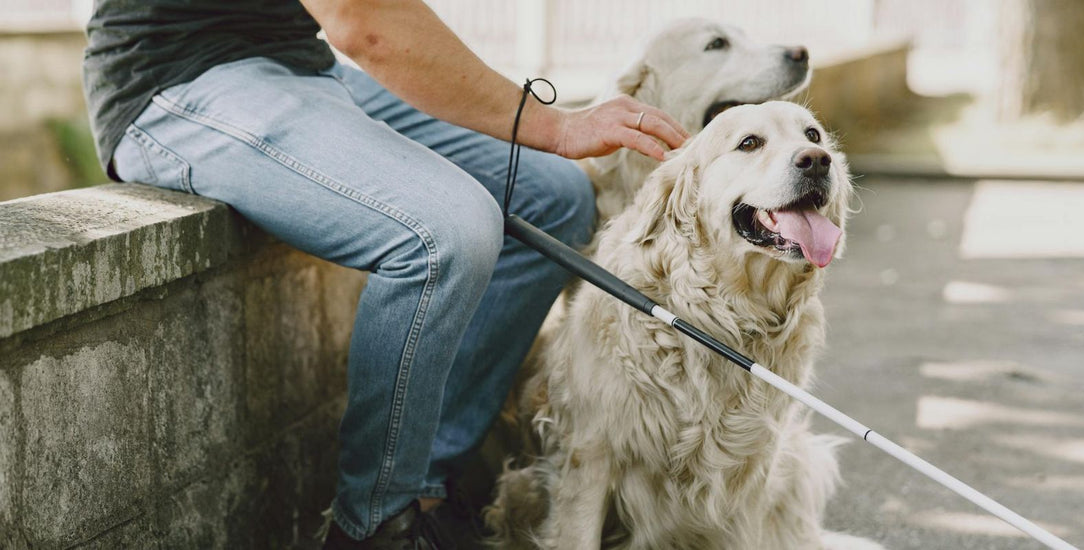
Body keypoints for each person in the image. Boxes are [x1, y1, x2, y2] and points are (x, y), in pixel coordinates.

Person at [83, 1, 688, 547]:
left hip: (300, 64)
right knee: (445, 230)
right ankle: (376, 524)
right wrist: (558, 126)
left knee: (552, 197)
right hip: (177, 77)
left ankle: (426, 483)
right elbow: (363, 20)